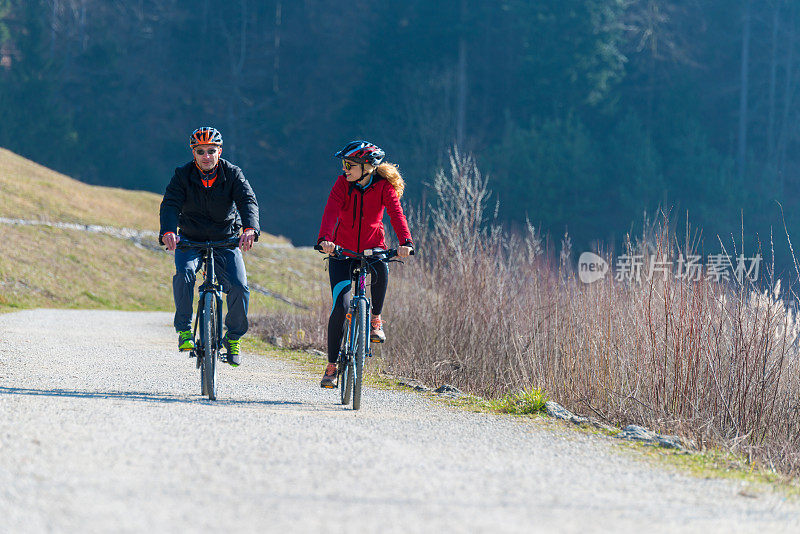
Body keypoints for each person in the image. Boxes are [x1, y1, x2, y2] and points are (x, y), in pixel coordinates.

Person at [159, 127, 260, 366]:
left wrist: (249, 229)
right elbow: (170, 204)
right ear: (193, 153)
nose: (207, 156)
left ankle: (233, 338)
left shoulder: (232, 173)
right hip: (191, 239)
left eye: (211, 151)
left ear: (219, 151)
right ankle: (184, 330)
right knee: (184, 275)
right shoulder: (182, 175)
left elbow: (247, 201)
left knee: (239, 286)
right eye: (201, 151)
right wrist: (168, 231)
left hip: (226, 239)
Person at [317, 140, 413, 387]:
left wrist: (405, 241)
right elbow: (330, 211)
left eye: (350, 165)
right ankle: (331, 367)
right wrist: (325, 239)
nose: (345, 169)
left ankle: (376, 319)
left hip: (373, 249)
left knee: (382, 266)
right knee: (341, 307)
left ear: (367, 167)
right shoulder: (342, 184)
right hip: (342, 252)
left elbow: (396, 213)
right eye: (344, 164)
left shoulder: (383, 187)